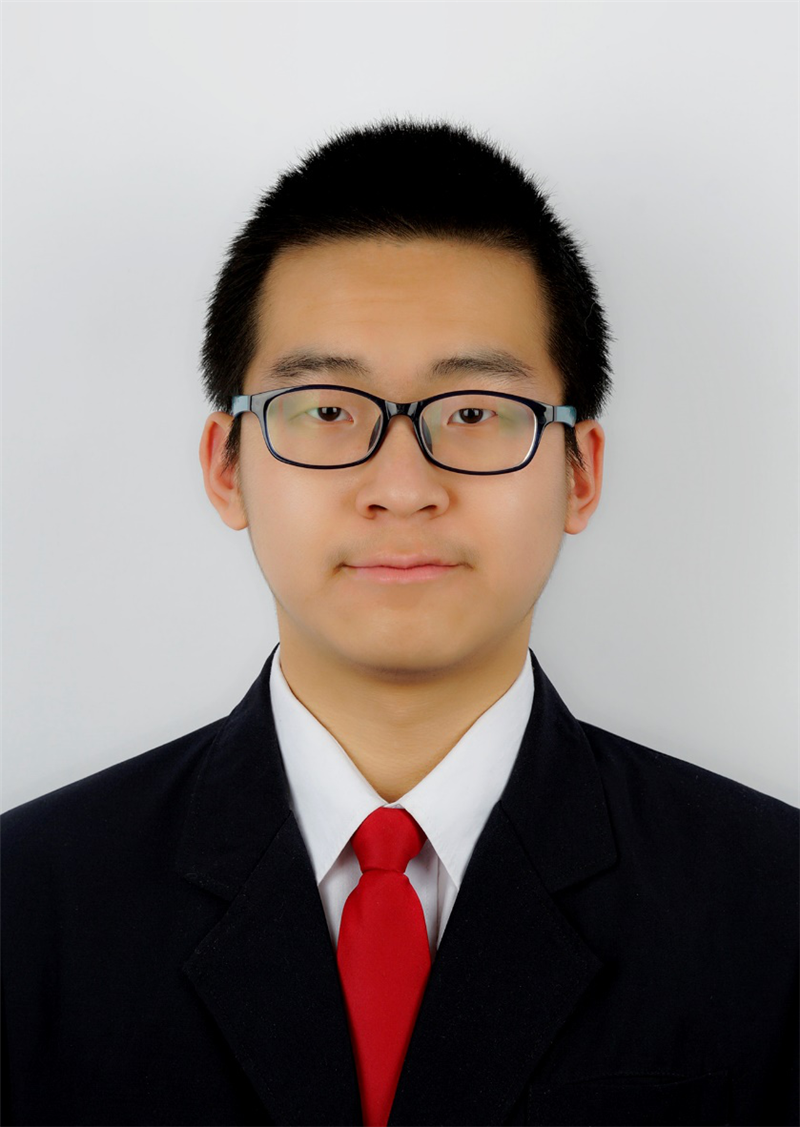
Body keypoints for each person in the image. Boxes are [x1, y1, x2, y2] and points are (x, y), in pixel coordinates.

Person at [2, 119, 797, 1127]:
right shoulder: (27, 906)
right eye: (328, 410)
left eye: (473, 411)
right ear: (226, 465)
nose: (403, 486)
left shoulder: (772, 908)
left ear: (579, 472)